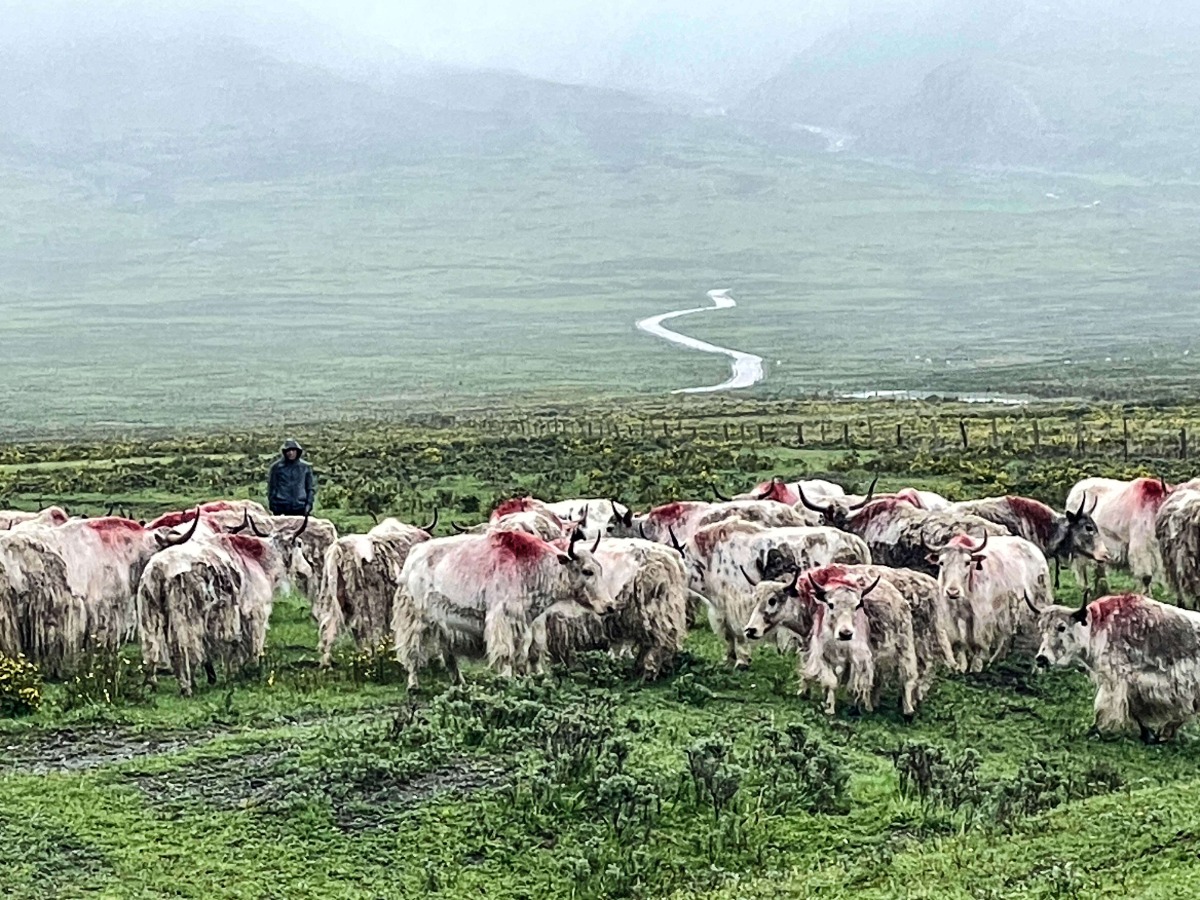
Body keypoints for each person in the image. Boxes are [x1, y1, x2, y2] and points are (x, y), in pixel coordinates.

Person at [268, 438, 316, 516]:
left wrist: (309, 505)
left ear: (297, 451)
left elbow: (310, 488)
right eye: (288, 450)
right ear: (284, 452)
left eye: (293, 450)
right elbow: (272, 488)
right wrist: (273, 505)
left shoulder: (305, 467)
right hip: (281, 507)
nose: (291, 453)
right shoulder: (276, 467)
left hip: (300, 506)